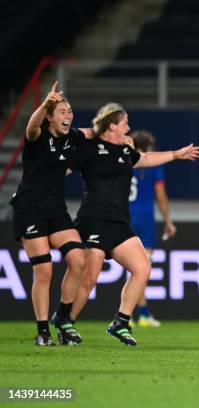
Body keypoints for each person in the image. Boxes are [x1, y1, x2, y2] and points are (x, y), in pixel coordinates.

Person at [68, 103, 199, 346]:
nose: (129, 128)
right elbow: (66, 149)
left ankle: (121, 321)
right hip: (94, 219)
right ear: (112, 126)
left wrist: (176, 154)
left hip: (119, 223)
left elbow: (147, 158)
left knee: (143, 268)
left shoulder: (125, 152)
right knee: (89, 278)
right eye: (124, 123)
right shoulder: (89, 148)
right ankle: (67, 321)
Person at [8, 81, 89, 346]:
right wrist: (44, 103)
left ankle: (62, 319)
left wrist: (116, 133)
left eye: (70, 110)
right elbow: (30, 127)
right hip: (29, 208)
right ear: (50, 117)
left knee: (78, 259)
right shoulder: (38, 135)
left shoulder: (72, 138)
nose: (69, 114)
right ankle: (43, 331)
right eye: (63, 111)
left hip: (55, 209)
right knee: (44, 269)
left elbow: (91, 132)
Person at [128, 130, 177, 327]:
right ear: (148, 148)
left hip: (125, 217)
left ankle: (137, 313)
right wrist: (167, 221)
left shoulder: (124, 161)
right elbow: (161, 195)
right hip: (146, 219)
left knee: (135, 269)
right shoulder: (154, 165)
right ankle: (135, 313)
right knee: (143, 268)